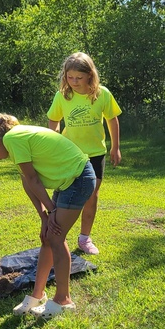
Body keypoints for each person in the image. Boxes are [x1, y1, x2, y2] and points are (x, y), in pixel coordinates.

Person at [0, 113, 95, 318]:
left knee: (55, 237)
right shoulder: (14, 141)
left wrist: (52, 210)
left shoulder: (13, 139)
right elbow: (28, 181)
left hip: (78, 179)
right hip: (67, 181)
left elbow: (33, 179)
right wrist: (44, 216)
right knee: (47, 236)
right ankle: (38, 295)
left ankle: (64, 300)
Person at [47, 52, 121, 256]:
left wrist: (115, 147)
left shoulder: (102, 94)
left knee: (91, 196)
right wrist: (53, 142)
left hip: (95, 154)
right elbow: (54, 120)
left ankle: (84, 238)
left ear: (90, 75)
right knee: (63, 193)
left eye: (79, 78)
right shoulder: (63, 96)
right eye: (70, 77)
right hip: (70, 154)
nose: (74, 82)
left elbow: (112, 120)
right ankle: (55, 235)